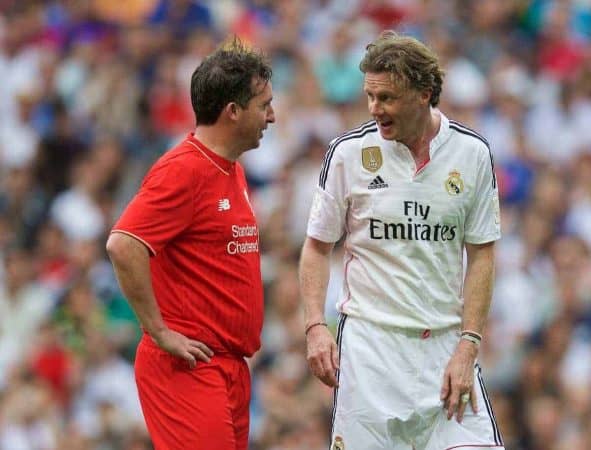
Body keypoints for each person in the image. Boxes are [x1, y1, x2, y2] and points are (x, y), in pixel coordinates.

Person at [299, 31, 504, 450]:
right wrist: (315, 326)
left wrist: (469, 344)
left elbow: (482, 254)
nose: (375, 109)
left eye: (387, 98)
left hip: (444, 347)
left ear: (424, 93)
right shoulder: (347, 154)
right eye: (370, 97)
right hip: (371, 350)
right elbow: (317, 247)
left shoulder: (472, 154)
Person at [106, 38, 274, 450]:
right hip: (189, 366)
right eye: (264, 104)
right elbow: (123, 244)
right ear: (232, 111)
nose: (273, 115)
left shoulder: (230, 170)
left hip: (228, 367)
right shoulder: (183, 170)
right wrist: (159, 331)